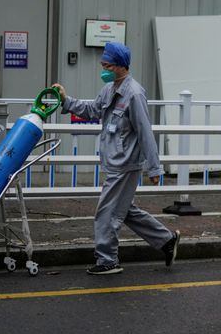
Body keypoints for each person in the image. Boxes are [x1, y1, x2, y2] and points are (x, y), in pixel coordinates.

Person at [52, 42, 179, 275]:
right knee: (125, 211)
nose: (103, 69)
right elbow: (92, 110)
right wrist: (66, 100)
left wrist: (154, 168)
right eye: (102, 64)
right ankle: (167, 240)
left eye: (107, 65)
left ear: (121, 66)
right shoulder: (110, 89)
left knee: (106, 213)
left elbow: (145, 131)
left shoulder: (134, 93)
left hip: (126, 164)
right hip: (114, 162)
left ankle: (107, 260)